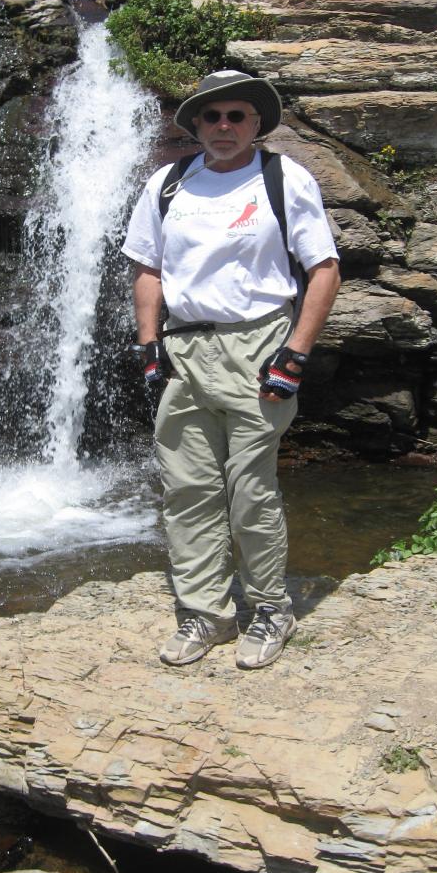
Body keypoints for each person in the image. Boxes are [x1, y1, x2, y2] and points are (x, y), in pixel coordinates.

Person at [122, 69, 340, 670]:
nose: (224, 127)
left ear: (256, 123)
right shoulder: (168, 184)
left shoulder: (281, 179)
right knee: (187, 489)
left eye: (237, 116)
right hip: (184, 350)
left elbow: (324, 269)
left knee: (251, 491)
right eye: (212, 117)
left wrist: (294, 355)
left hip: (257, 347)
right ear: (194, 124)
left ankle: (270, 609)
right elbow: (148, 269)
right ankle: (206, 614)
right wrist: (149, 346)